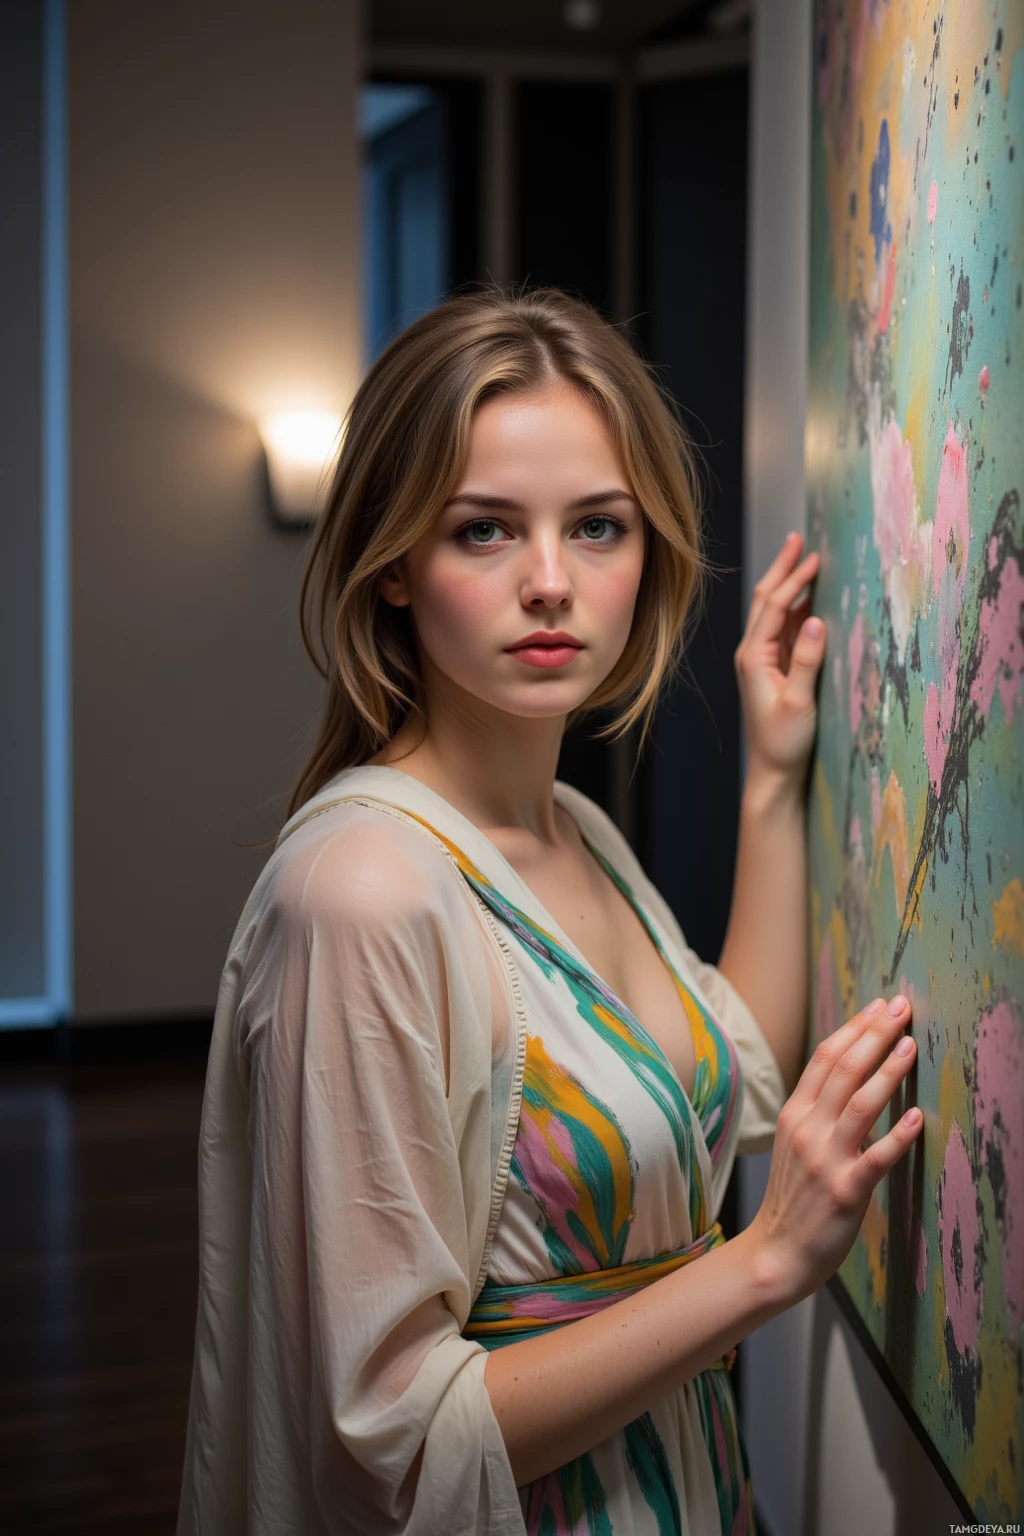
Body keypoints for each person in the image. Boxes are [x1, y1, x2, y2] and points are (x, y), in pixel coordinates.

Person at [177, 289, 922, 1536]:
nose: (548, 582)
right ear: (393, 565)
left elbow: (733, 1070)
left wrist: (772, 775)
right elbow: (388, 1441)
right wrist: (762, 1262)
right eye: (482, 530)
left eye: (596, 527)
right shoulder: (361, 895)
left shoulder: (572, 830)